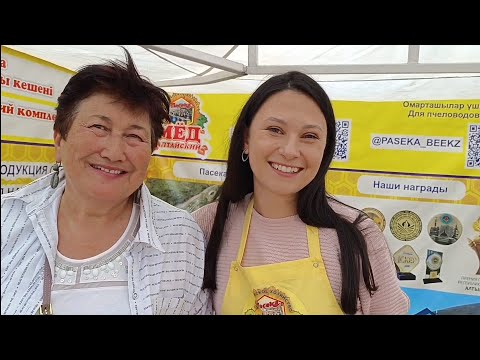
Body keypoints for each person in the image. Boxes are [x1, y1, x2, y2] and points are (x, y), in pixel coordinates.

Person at [1, 48, 212, 315]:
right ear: (59, 139)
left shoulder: (179, 235)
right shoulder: (7, 219)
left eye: (134, 136)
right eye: (99, 127)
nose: (113, 152)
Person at [192, 71, 409, 315]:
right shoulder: (207, 226)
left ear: (325, 149)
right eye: (275, 129)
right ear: (246, 138)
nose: (290, 150)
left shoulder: (356, 234)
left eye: (309, 136)